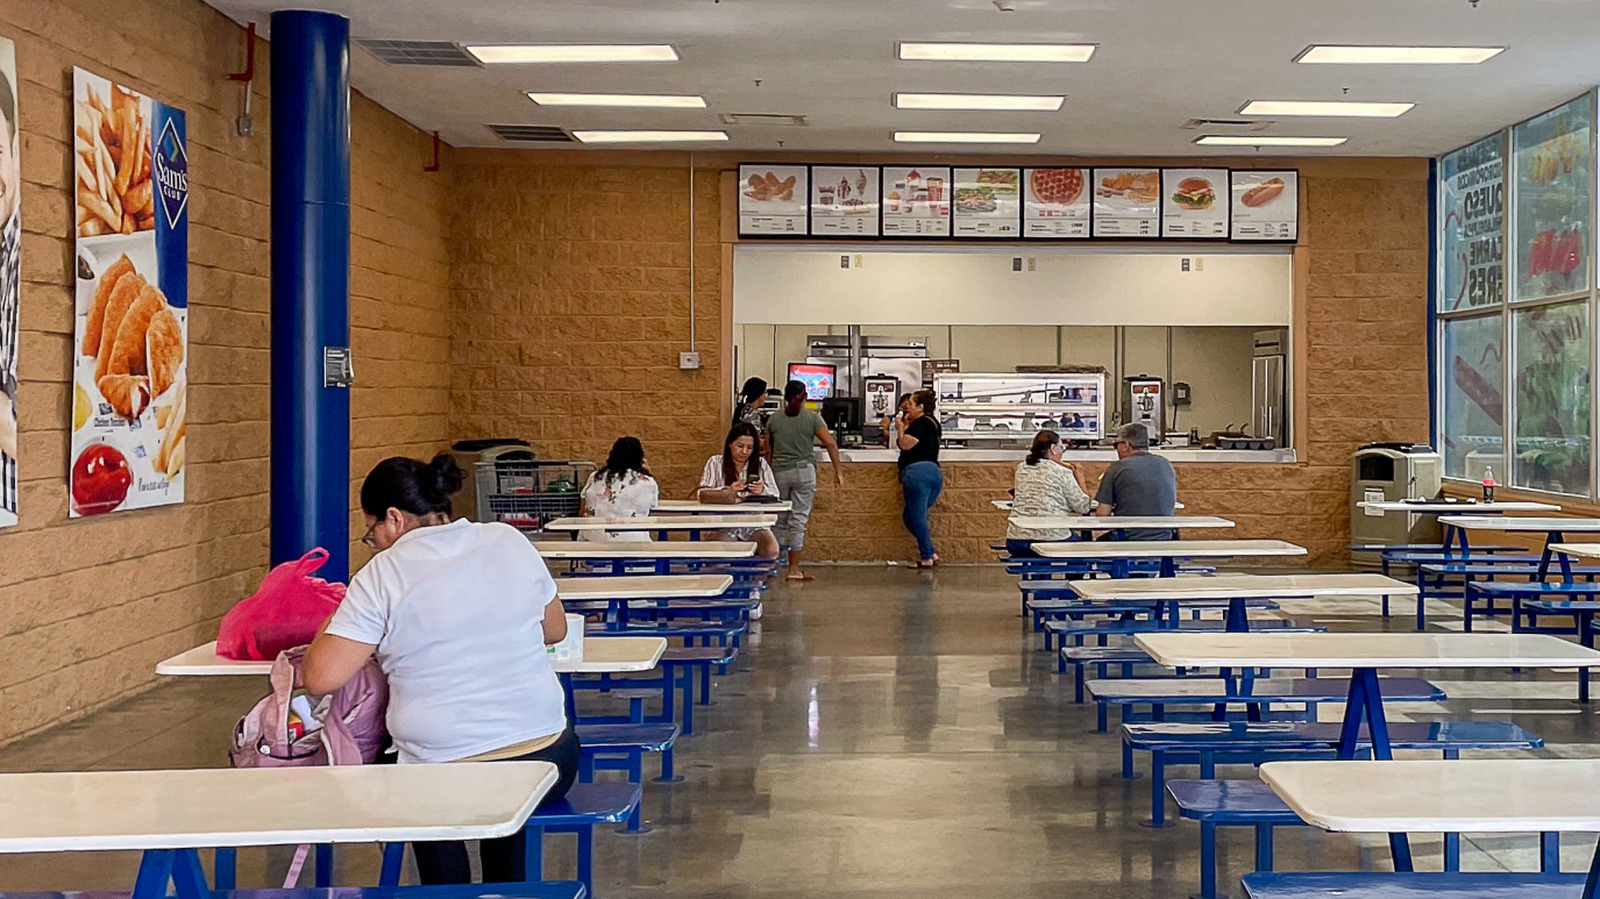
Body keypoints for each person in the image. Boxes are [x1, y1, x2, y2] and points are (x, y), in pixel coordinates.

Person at [303, 454, 579, 886]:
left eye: (370, 531)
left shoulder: (383, 573)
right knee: (506, 797)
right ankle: (508, 891)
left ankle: (446, 891)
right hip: (547, 757)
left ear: (393, 519)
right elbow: (555, 630)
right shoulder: (507, 540)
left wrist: (339, 615)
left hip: (443, 767)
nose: (372, 542)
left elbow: (320, 677)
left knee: (427, 795)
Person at [764, 379, 844, 581]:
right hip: (804, 472)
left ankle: (772, 566)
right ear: (805, 398)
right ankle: (793, 569)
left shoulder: (774, 420)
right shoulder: (812, 418)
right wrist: (838, 471)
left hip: (779, 472)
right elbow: (831, 444)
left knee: (778, 521)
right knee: (798, 521)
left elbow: (768, 451)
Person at [696, 422, 782, 559]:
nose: (744, 452)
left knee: (771, 550)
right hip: (721, 523)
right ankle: (726, 578)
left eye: (750, 448)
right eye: (740, 446)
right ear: (730, 444)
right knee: (723, 553)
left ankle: (757, 580)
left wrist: (762, 490)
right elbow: (702, 493)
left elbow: (775, 494)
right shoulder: (715, 462)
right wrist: (728, 490)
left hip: (753, 523)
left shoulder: (761, 464)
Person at [1006, 430, 1096, 556]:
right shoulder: (1062, 472)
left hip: (1017, 540)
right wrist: (1080, 476)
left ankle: (1039, 575)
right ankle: (1075, 575)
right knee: (1083, 549)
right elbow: (1083, 507)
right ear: (1053, 449)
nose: (1062, 453)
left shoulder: (1021, 469)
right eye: (1062, 448)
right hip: (1052, 538)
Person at [1094, 422, 1178, 540]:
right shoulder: (1166, 464)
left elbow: (1102, 516)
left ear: (1125, 445)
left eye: (1116, 445)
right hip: (1164, 537)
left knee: (1097, 543)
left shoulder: (1117, 467)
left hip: (1127, 538)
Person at [579, 436, 659, 542]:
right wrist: (648, 472)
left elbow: (582, 510)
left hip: (595, 539)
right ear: (640, 458)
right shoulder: (647, 482)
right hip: (634, 540)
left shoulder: (595, 477)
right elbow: (652, 506)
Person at [895, 389, 943, 568]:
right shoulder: (933, 423)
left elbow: (905, 445)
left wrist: (900, 429)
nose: (908, 409)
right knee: (911, 516)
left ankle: (926, 557)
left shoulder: (921, 424)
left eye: (912, 405)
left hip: (917, 473)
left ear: (921, 407)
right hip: (933, 473)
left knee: (917, 516)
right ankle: (930, 552)